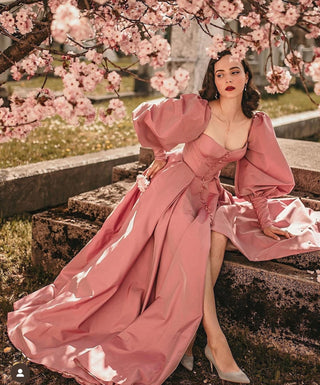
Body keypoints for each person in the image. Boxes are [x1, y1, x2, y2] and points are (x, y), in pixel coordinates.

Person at [7, 50, 320, 385]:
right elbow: (148, 115)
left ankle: (185, 337)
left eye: (235, 72)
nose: (228, 79)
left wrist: (265, 219)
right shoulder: (200, 109)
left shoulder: (256, 124)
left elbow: (258, 183)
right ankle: (215, 341)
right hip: (173, 188)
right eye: (220, 74)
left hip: (210, 192)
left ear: (247, 77)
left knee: (217, 232)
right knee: (197, 240)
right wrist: (160, 155)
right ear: (212, 80)